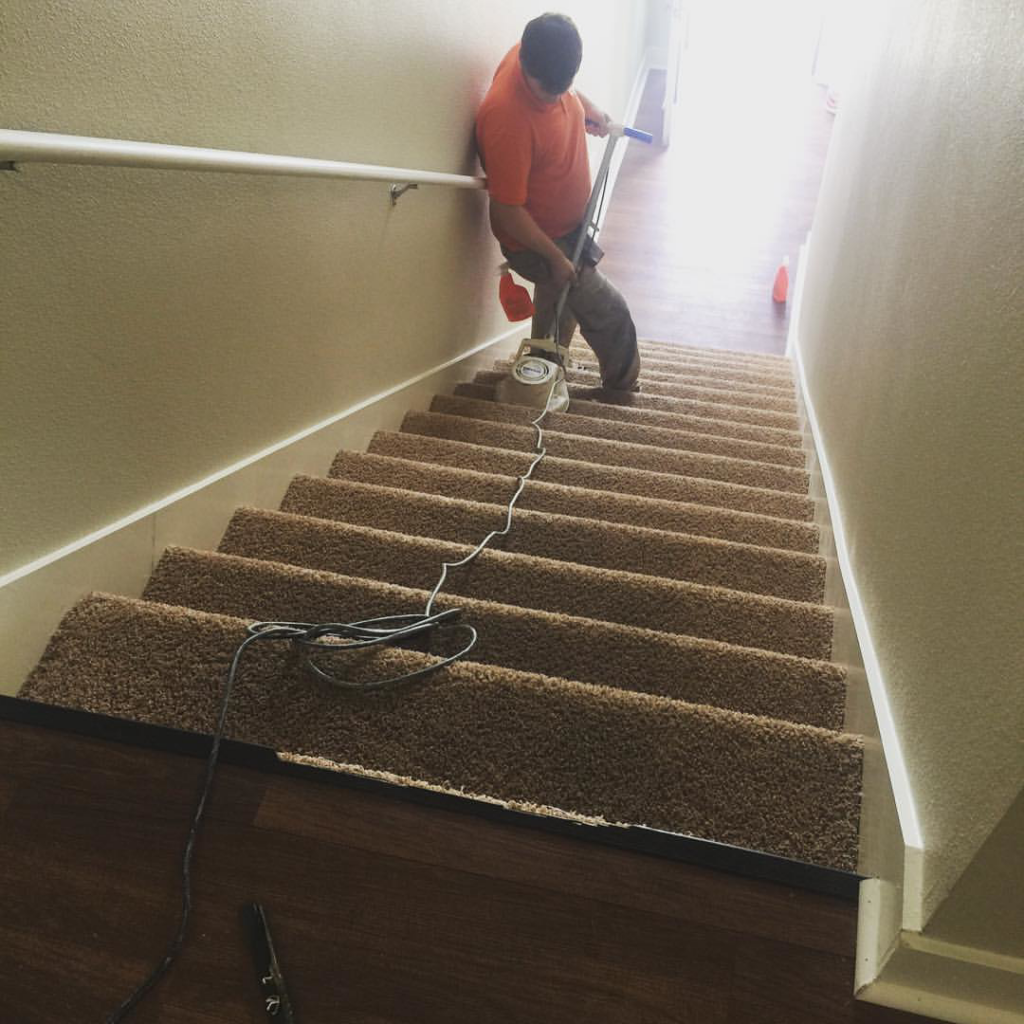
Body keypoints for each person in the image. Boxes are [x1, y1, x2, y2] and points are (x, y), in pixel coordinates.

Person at [475, 13, 641, 394]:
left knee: (557, 311)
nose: (556, 97)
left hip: (568, 228)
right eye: (547, 92)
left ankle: (544, 378)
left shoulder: (538, 53)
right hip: (540, 242)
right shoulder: (506, 117)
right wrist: (554, 258)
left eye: (563, 87)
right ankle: (622, 391)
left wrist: (588, 109)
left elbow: (565, 92)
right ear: (526, 65)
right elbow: (506, 211)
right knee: (611, 313)